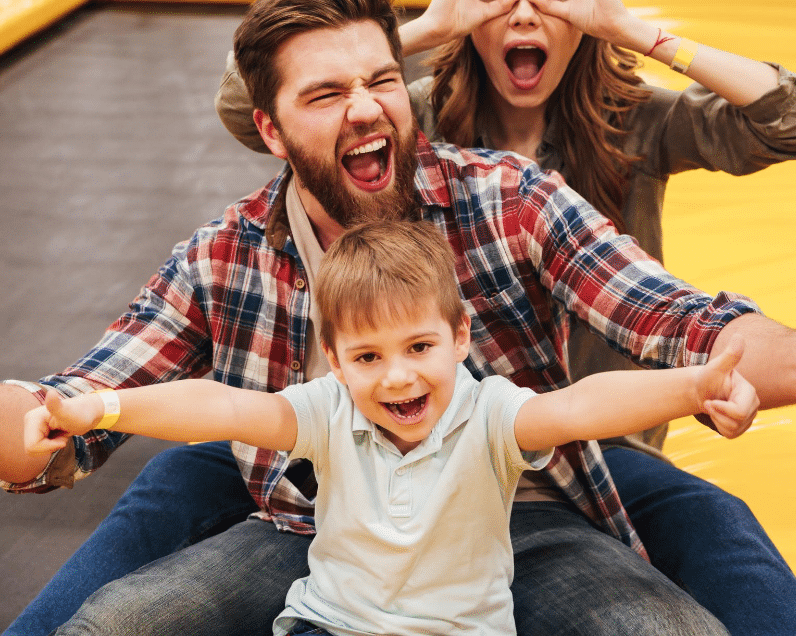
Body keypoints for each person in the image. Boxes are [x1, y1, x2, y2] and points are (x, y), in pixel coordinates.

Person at [2, 0, 796, 636]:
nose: (363, 108)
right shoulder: (224, 255)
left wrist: (716, 372)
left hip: (523, 511)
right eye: (324, 95)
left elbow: (670, 318)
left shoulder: (506, 198)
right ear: (271, 131)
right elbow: (95, 399)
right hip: (316, 523)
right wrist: (41, 415)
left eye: (381, 80)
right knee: (120, 615)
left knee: (670, 618)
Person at [213, 0, 796, 630]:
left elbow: (790, 119)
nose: (524, 12)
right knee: (179, 489)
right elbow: (250, 107)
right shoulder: (411, 117)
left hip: (585, 438)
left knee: (720, 529)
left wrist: (633, 29)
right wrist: (426, 26)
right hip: (414, 431)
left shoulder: (631, 120)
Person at [25, 220, 756, 636]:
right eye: (368, 357)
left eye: (418, 349)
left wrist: (690, 385)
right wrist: (104, 408)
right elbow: (219, 407)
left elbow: (583, 406)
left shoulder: (491, 413)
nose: (399, 377)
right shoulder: (327, 411)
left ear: (460, 337)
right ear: (336, 363)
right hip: (331, 627)